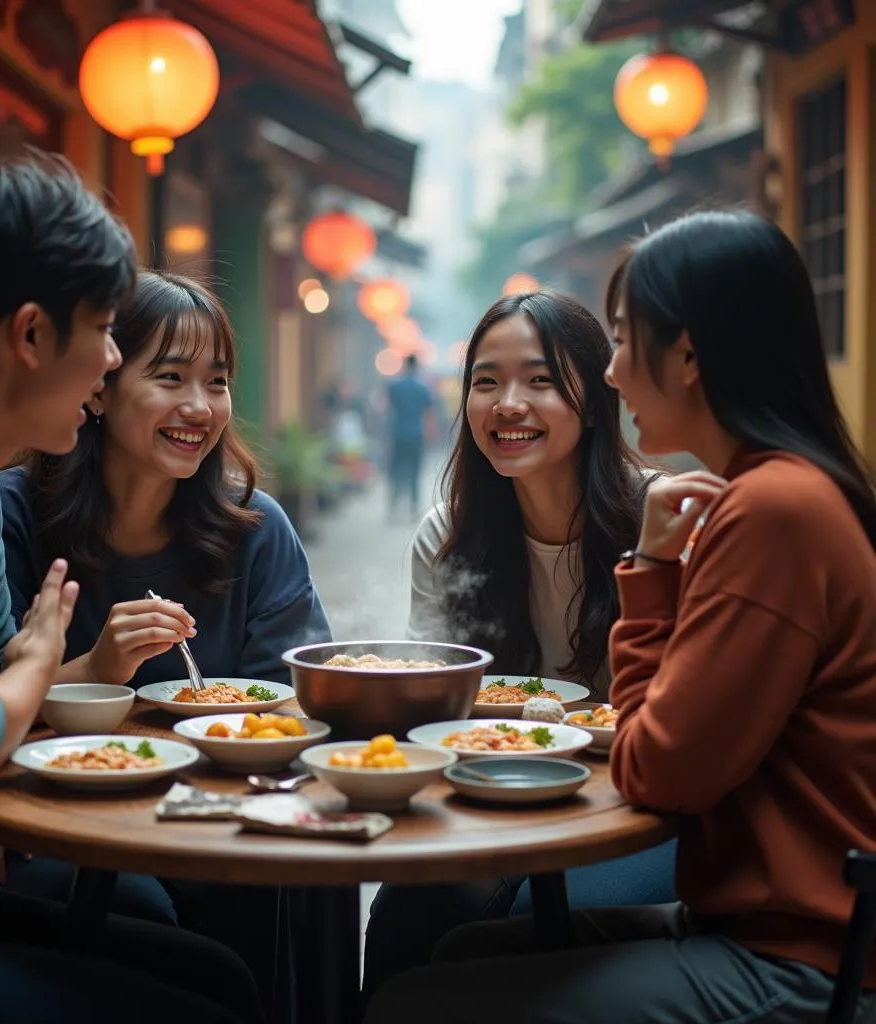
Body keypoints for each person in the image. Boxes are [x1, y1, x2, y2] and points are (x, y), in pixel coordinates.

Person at [364, 210, 876, 1023]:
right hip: (748, 918)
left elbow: (659, 770)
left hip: (801, 957)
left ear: (690, 355)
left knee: (415, 1006)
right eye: (486, 381)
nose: (613, 374)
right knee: (442, 944)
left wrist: (647, 573)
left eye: (626, 342)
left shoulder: (770, 512)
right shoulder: (773, 497)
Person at [0, 148, 263, 1023]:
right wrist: (39, 663)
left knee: (221, 979)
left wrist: (42, 667)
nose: (112, 360)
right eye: (107, 330)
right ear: (32, 336)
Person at [0, 270, 331, 1019]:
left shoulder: (254, 530)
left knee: (279, 886)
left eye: (217, 381)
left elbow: (296, 705)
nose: (200, 407)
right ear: (99, 386)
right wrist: (99, 668)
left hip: (226, 818)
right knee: (139, 910)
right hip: (60, 824)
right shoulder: (10, 514)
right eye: (169, 377)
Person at [363, 289, 674, 1003]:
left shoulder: (658, 520)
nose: (508, 404)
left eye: (539, 380)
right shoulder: (447, 536)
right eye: (486, 381)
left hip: (635, 812)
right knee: (408, 914)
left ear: (595, 400)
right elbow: (431, 704)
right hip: (496, 796)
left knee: (519, 922)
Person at [386, 353, 435, 519]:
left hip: (398, 433)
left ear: (405, 365)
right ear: (417, 366)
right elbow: (429, 413)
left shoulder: (395, 386)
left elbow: (388, 408)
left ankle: (393, 506)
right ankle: (413, 508)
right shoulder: (423, 388)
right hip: (416, 434)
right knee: (415, 470)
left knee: (396, 469)